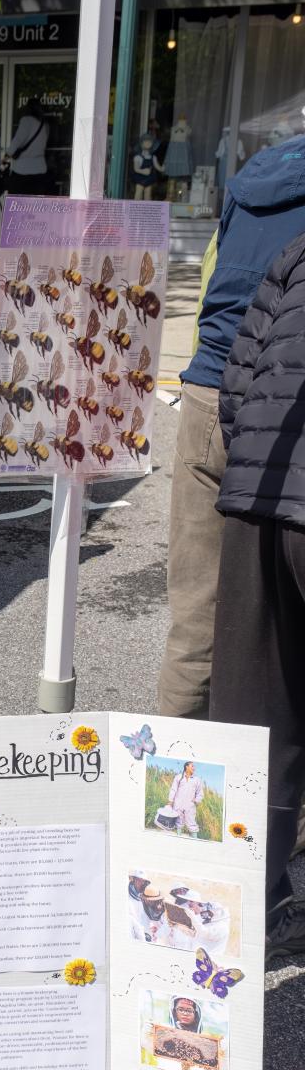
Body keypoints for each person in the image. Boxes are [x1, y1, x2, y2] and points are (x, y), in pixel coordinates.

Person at [158, 133, 305, 719]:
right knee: (276, 641)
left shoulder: (257, 173)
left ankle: (168, 796)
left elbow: (209, 287)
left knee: (196, 626)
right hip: (287, 409)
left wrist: (204, 381)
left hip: (209, 389)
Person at [210, 230, 305, 958]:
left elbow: (239, 377)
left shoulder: (298, 245)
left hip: (261, 490)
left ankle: (243, 907)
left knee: (252, 725)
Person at [3, 98, 52, 196]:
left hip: (23, 170)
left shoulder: (26, 121)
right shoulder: (45, 124)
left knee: (16, 205)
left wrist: (5, 159)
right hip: (40, 170)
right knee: (35, 206)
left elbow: (17, 141)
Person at [168, 761, 204, 838]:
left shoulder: (197, 779)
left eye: (194, 767)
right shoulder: (178, 777)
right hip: (178, 803)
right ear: (186, 767)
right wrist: (170, 801)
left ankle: (195, 840)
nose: (194, 768)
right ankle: (178, 837)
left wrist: (196, 800)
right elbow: (173, 789)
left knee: (192, 822)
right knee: (178, 822)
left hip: (190, 805)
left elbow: (200, 792)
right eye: (192, 766)